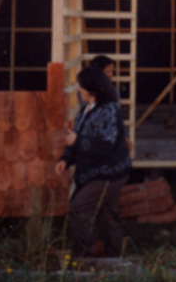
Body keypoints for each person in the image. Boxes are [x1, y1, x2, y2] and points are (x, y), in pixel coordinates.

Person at [55, 67, 131, 258]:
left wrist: (77, 142)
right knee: (107, 215)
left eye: (82, 87)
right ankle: (114, 258)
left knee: (78, 210)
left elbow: (104, 146)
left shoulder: (108, 112)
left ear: (93, 90)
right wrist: (66, 158)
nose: (79, 89)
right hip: (98, 172)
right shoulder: (86, 109)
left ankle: (86, 255)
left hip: (109, 173)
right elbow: (76, 138)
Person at [89, 54, 133, 153]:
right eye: (108, 71)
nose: (111, 75)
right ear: (98, 73)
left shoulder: (114, 92)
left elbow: (118, 117)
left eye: (112, 71)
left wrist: (125, 137)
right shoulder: (85, 93)